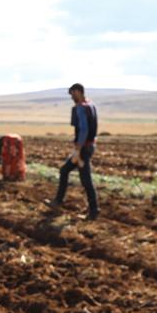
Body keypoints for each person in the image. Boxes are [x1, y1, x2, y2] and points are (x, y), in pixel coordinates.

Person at [46, 83, 100, 220]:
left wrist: (78, 150)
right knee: (64, 170)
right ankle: (58, 201)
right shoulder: (91, 105)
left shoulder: (81, 108)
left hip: (83, 148)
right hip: (89, 145)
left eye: (72, 94)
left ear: (78, 92)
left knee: (86, 179)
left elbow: (83, 130)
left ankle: (94, 211)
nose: (71, 97)